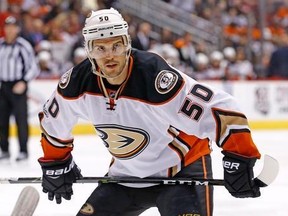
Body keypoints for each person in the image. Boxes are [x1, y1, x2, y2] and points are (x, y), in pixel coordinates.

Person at [37, 8, 262, 216]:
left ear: (127, 44)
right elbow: (53, 120)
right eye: (100, 48)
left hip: (182, 171)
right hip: (126, 177)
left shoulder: (155, 77)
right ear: (89, 50)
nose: (109, 55)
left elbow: (222, 108)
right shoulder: (77, 82)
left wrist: (239, 157)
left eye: (116, 46)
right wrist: (56, 162)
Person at [0, 16, 39, 161]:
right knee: (1, 120)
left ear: (17, 29)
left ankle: (23, 151)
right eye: (7, 27)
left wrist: (24, 81)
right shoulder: (1, 45)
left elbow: (34, 67)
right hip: (3, 86)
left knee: (21, 120)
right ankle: (4, 150)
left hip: (18, 86)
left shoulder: (23, 46)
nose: (10, 30)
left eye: (13, 27)